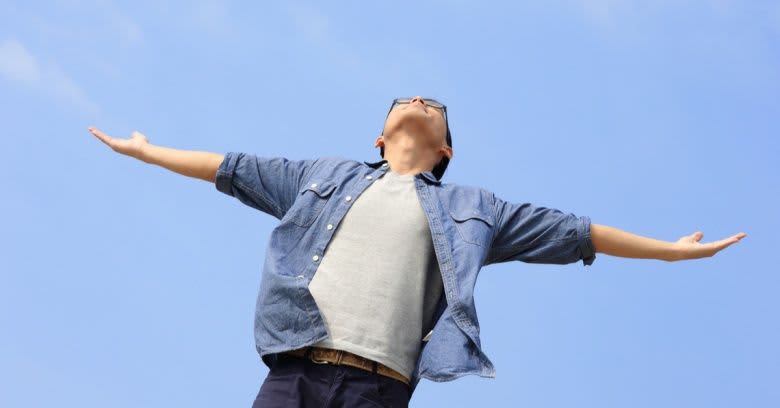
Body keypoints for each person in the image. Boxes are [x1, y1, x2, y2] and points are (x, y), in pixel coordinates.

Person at [88, 96, 746, 408]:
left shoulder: (476, 211)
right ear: (380, 137)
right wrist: (147, 152)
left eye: (435, 109)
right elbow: (229, 167)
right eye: (408, 102)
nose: (422, 102)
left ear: (445, 149)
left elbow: (576, 232)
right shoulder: (321, 176)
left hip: (379, 388)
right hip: (293, 373)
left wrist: (667, 252)